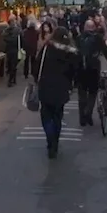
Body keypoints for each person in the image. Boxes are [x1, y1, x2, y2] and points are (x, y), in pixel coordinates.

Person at [33, 27, 78, 159]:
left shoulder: (47, 48)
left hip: (45, 85)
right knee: (58, 116)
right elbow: (74, 71)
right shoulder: (71, 52)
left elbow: (37, 66)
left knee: (46, 116)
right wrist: (71, 85)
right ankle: (55, 142)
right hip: (62, 88)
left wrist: (36, 78)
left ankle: (49, 139)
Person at [76, 20, 107, 127]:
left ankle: (82, 118)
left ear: (85, 27)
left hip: (80, 69)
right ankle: (88, 113)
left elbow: (74, 54)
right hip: (93, 69)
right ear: (94, 27)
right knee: (92, 92)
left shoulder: (79, 38)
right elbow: (106, 52)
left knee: (82, 94)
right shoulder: (98, 38)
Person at [2, 15, 22, 87]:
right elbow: (21, 39)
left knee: (11, 65)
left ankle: (12, 79)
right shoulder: (18, 30)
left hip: (9, 49)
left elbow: (4, 38)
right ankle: (12, 79)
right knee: (13, 65)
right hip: (15, 49)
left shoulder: (6, 31)